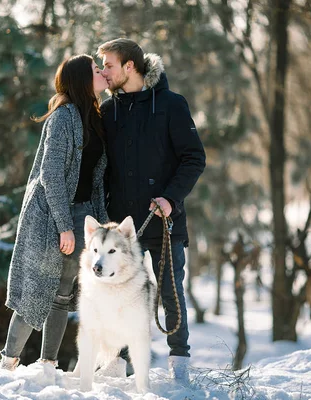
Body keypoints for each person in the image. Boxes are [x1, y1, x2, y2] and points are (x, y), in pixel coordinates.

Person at [97, 39, 206, 384]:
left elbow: (194, 158)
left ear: (130, 66)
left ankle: (180, 366)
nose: (104, 73)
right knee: (119, 296)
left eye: (109, 65)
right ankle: (116, 363)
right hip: (120, 230)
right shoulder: (108, 111)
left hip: (164, 220)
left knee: (171, 293)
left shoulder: (172, 105)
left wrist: (170, 199)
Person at [0, 54, 109, 371]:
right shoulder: (63, 117)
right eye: (95, 69)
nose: (101, 72)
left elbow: (96, 177)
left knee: (63, 294)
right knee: (36, 291)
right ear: (80, 79)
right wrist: (64, 226)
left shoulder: (96, 118)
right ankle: (8, 361)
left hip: (85, 214)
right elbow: (50, 175)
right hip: (54, 215)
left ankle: (48, 363)